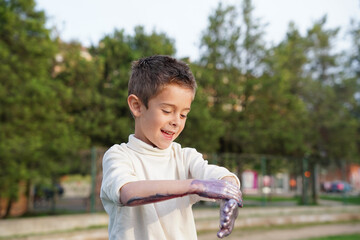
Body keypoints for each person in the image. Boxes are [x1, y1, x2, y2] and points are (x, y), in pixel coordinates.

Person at [100, 55, 243, 240]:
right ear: (137, 106)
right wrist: (194, 186)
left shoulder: (185, 157)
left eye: (183, 115)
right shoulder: (119, 156)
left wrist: (229, 194)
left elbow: (216, 176)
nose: (176, 121)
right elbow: (128, 192)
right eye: (167, 111)